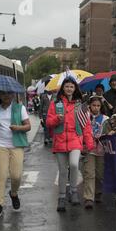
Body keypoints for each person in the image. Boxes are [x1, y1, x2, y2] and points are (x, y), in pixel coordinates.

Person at [46, 78, 94, 212]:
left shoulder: (81, 105)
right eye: (66, 86)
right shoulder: (55, 103)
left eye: (71, 87)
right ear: (63, 88)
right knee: (62, 170)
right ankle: (61, 197)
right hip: (60, 140)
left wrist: (88, 142)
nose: (69, 89)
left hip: (75, 140)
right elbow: (49, 122)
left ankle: (73, 191)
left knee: (73, 165)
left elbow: (87, 125)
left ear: (75, 89)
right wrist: (57, 119)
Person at [0, 91, 31, 217]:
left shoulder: (19, 108)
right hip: (0, 145)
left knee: (16, 175)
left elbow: (28, 126)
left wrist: (18, 128)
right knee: (2, 174)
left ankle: (14, 193)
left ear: (13, 95)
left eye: (9, 94)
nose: (6, 96)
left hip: (16, 145)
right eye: (3, 94)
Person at [81, 96, 109, 209]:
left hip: (101, 149)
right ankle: (88, 197)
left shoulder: (105, 119)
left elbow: (108, 133)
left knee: (100, 173)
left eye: (98, 106)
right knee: (89, 173)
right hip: (89, 149)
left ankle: (98, 192)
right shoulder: (84, 117)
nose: (96, 108)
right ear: (89, 106)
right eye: (94, 105)